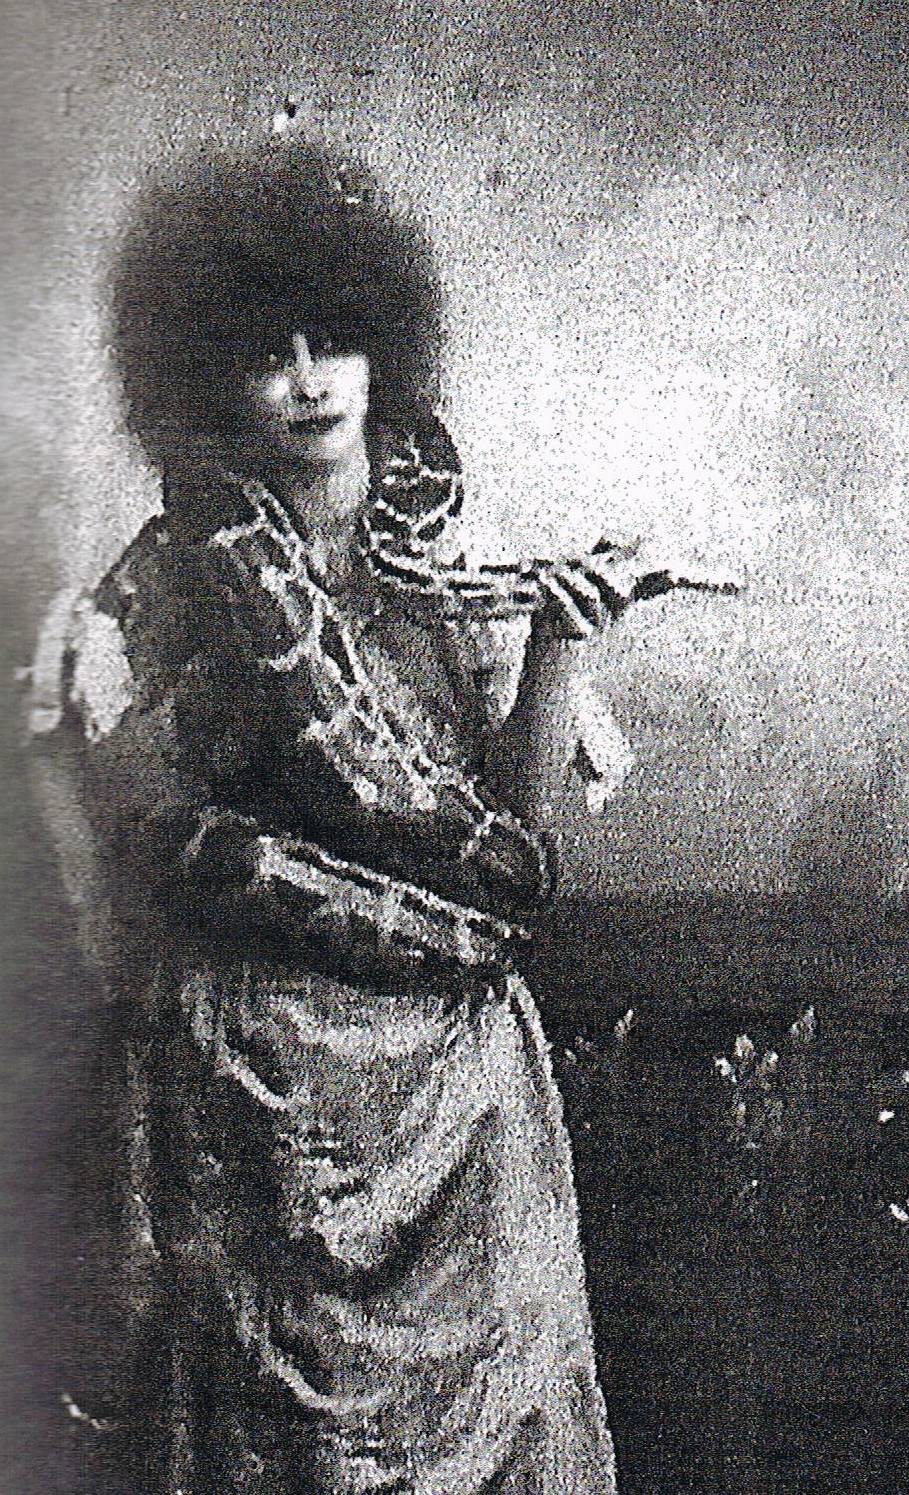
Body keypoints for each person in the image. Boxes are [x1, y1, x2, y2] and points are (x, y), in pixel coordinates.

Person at [28, 145, 730, 1493]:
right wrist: (108, 956)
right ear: (208, 377)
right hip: (258, 1083)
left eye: (333, 341)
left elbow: (516, 842)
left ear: (382, 351)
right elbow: (61, 747)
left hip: (453, 1083)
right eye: (266, 354)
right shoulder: (178, 568)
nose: (307, 380)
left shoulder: (451, 562)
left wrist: (561, 649)